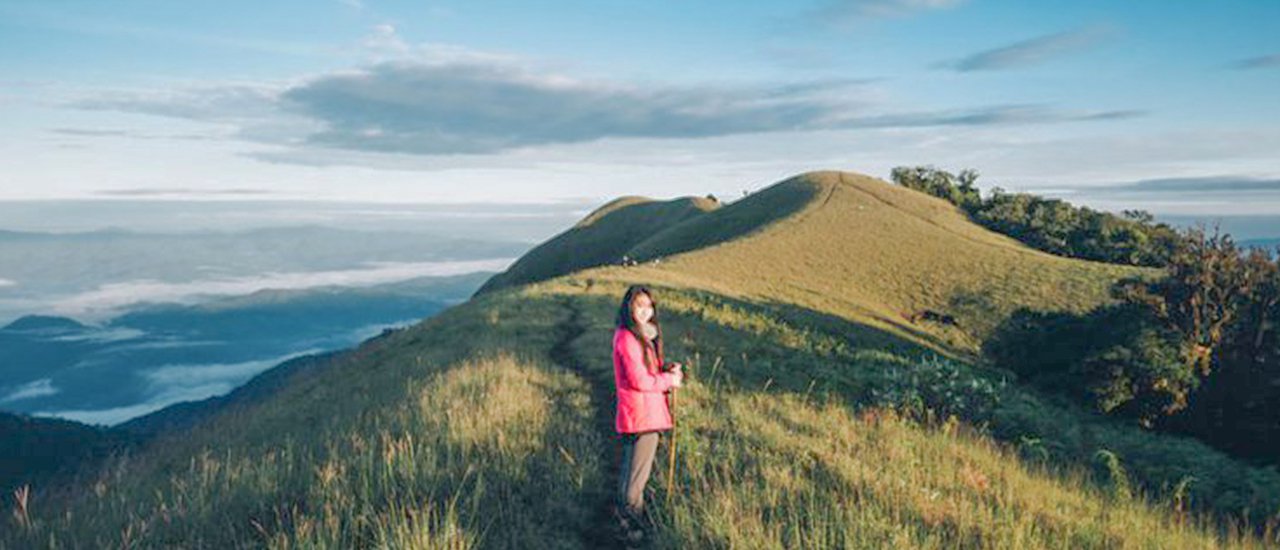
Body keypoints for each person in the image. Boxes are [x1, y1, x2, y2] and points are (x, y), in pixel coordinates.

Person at [612, 285, 683, 544]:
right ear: (629, 307)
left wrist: (664, 370)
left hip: (639, 414)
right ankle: (633, 533)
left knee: (630, 475)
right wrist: (669, 380)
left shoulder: (637, 337)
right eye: (639, 305)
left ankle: (625, 526)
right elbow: (640, 380)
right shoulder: (628, 338)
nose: (645, 311)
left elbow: (645, 373)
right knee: (636, 481)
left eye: (649, 306)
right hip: (643, 416)